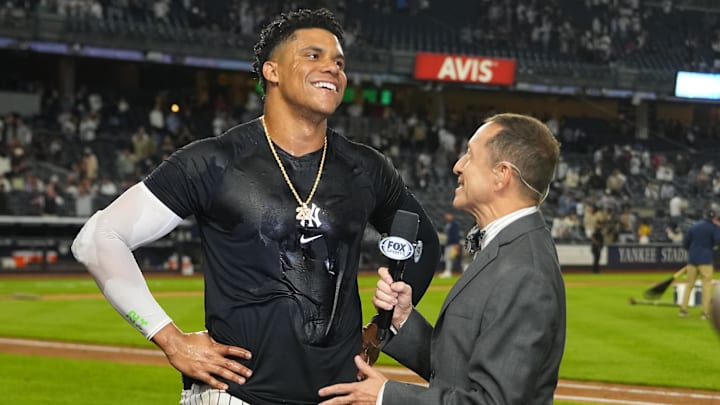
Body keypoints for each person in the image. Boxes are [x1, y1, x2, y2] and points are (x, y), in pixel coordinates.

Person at [71, 8, 439, 405]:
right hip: (238, 397)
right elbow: (97, 238)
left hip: (340, 396)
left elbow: (424, 243)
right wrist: (170, 338)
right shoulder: (214, 160)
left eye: (339, 62)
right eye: (313, 56)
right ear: (272, 71)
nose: (332, 69)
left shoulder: (366, 167)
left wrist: (380, 329)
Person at [318, 113, 566, 404]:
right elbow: (457, 371)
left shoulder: (525, 272)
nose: (457, 166)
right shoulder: (508, 250)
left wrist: (387, 396)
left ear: (502, 175)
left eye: (470, 156)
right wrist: (403, 318)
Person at [679, 210, 720, 319]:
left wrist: (692, 252)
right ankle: (704, 312)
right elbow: (718, 240)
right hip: (706, 261)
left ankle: (683, 310)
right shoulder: (714, 227)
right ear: (714, 218)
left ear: (705, 215)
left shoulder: (694, 226)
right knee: (706, 286)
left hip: (692, 260)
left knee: (689, 285)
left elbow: (685, 242)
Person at [438, 211, 461, 278]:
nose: (446, 217)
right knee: (447, 257)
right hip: (448, 244)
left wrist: (456, 244)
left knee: (450, 258)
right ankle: (448, 270)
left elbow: (456, 235)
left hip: (453, 244)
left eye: (448, 215)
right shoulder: (448, 224)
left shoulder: (454, 224)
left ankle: (448, 271)